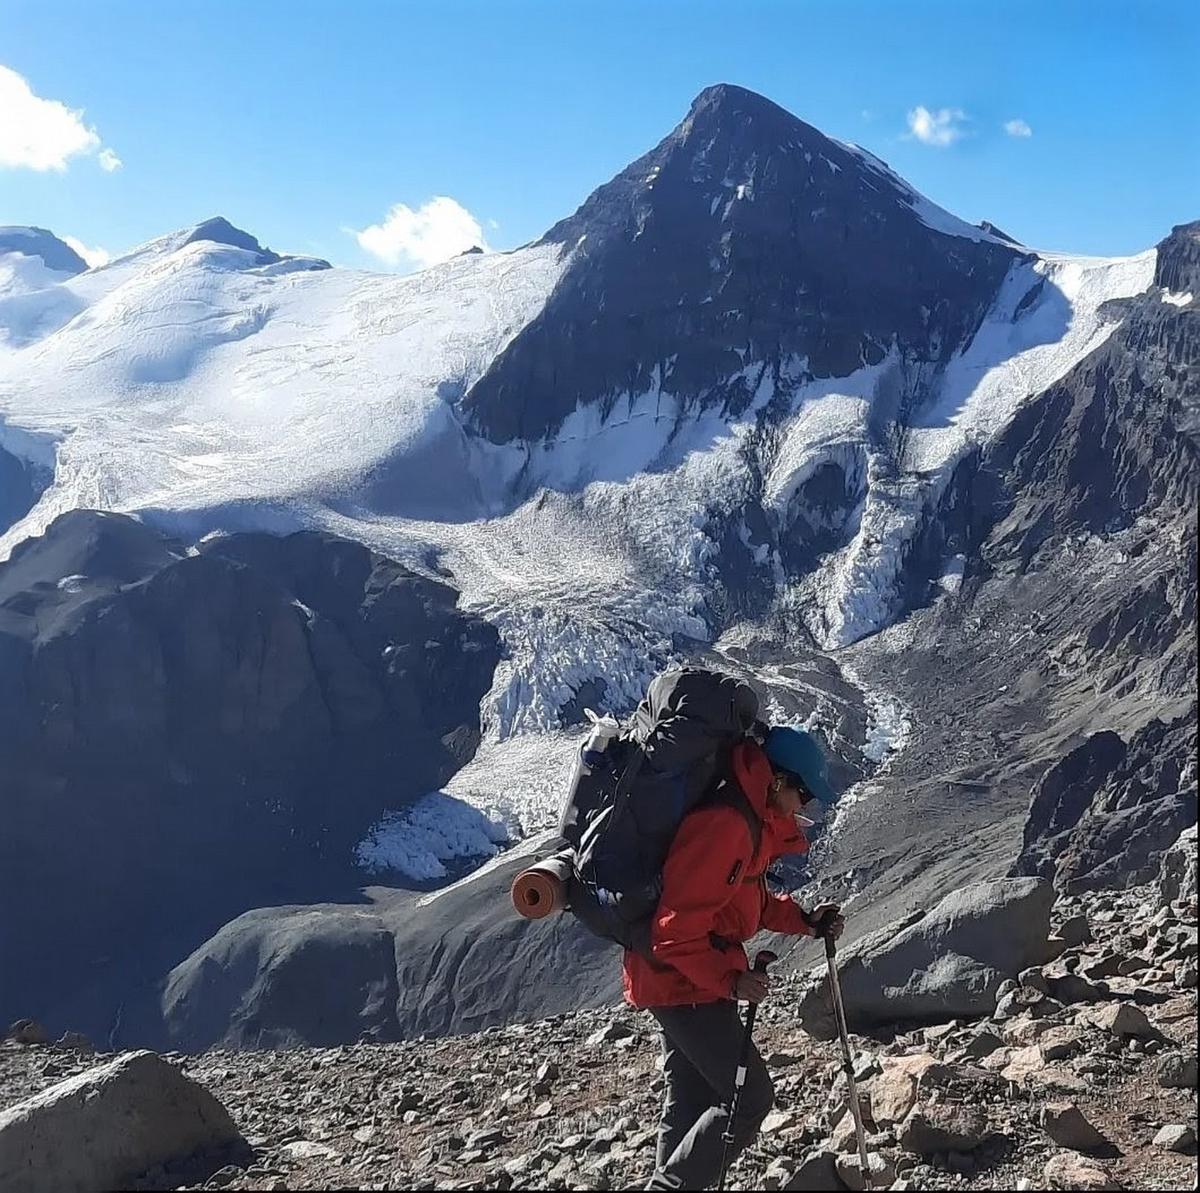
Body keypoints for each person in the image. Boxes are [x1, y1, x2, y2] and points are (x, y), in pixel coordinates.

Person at [624, 725, 845, 1191]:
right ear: (778, 780)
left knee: (690, 1093)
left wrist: (806, 920)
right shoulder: (727, 826)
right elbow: (676, 931)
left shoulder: (749, 818)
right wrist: (730, 981)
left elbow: (745, 903)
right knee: (750, 1098)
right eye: (802, 793)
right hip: (682, 980)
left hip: (679, 977)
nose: (804, 807)